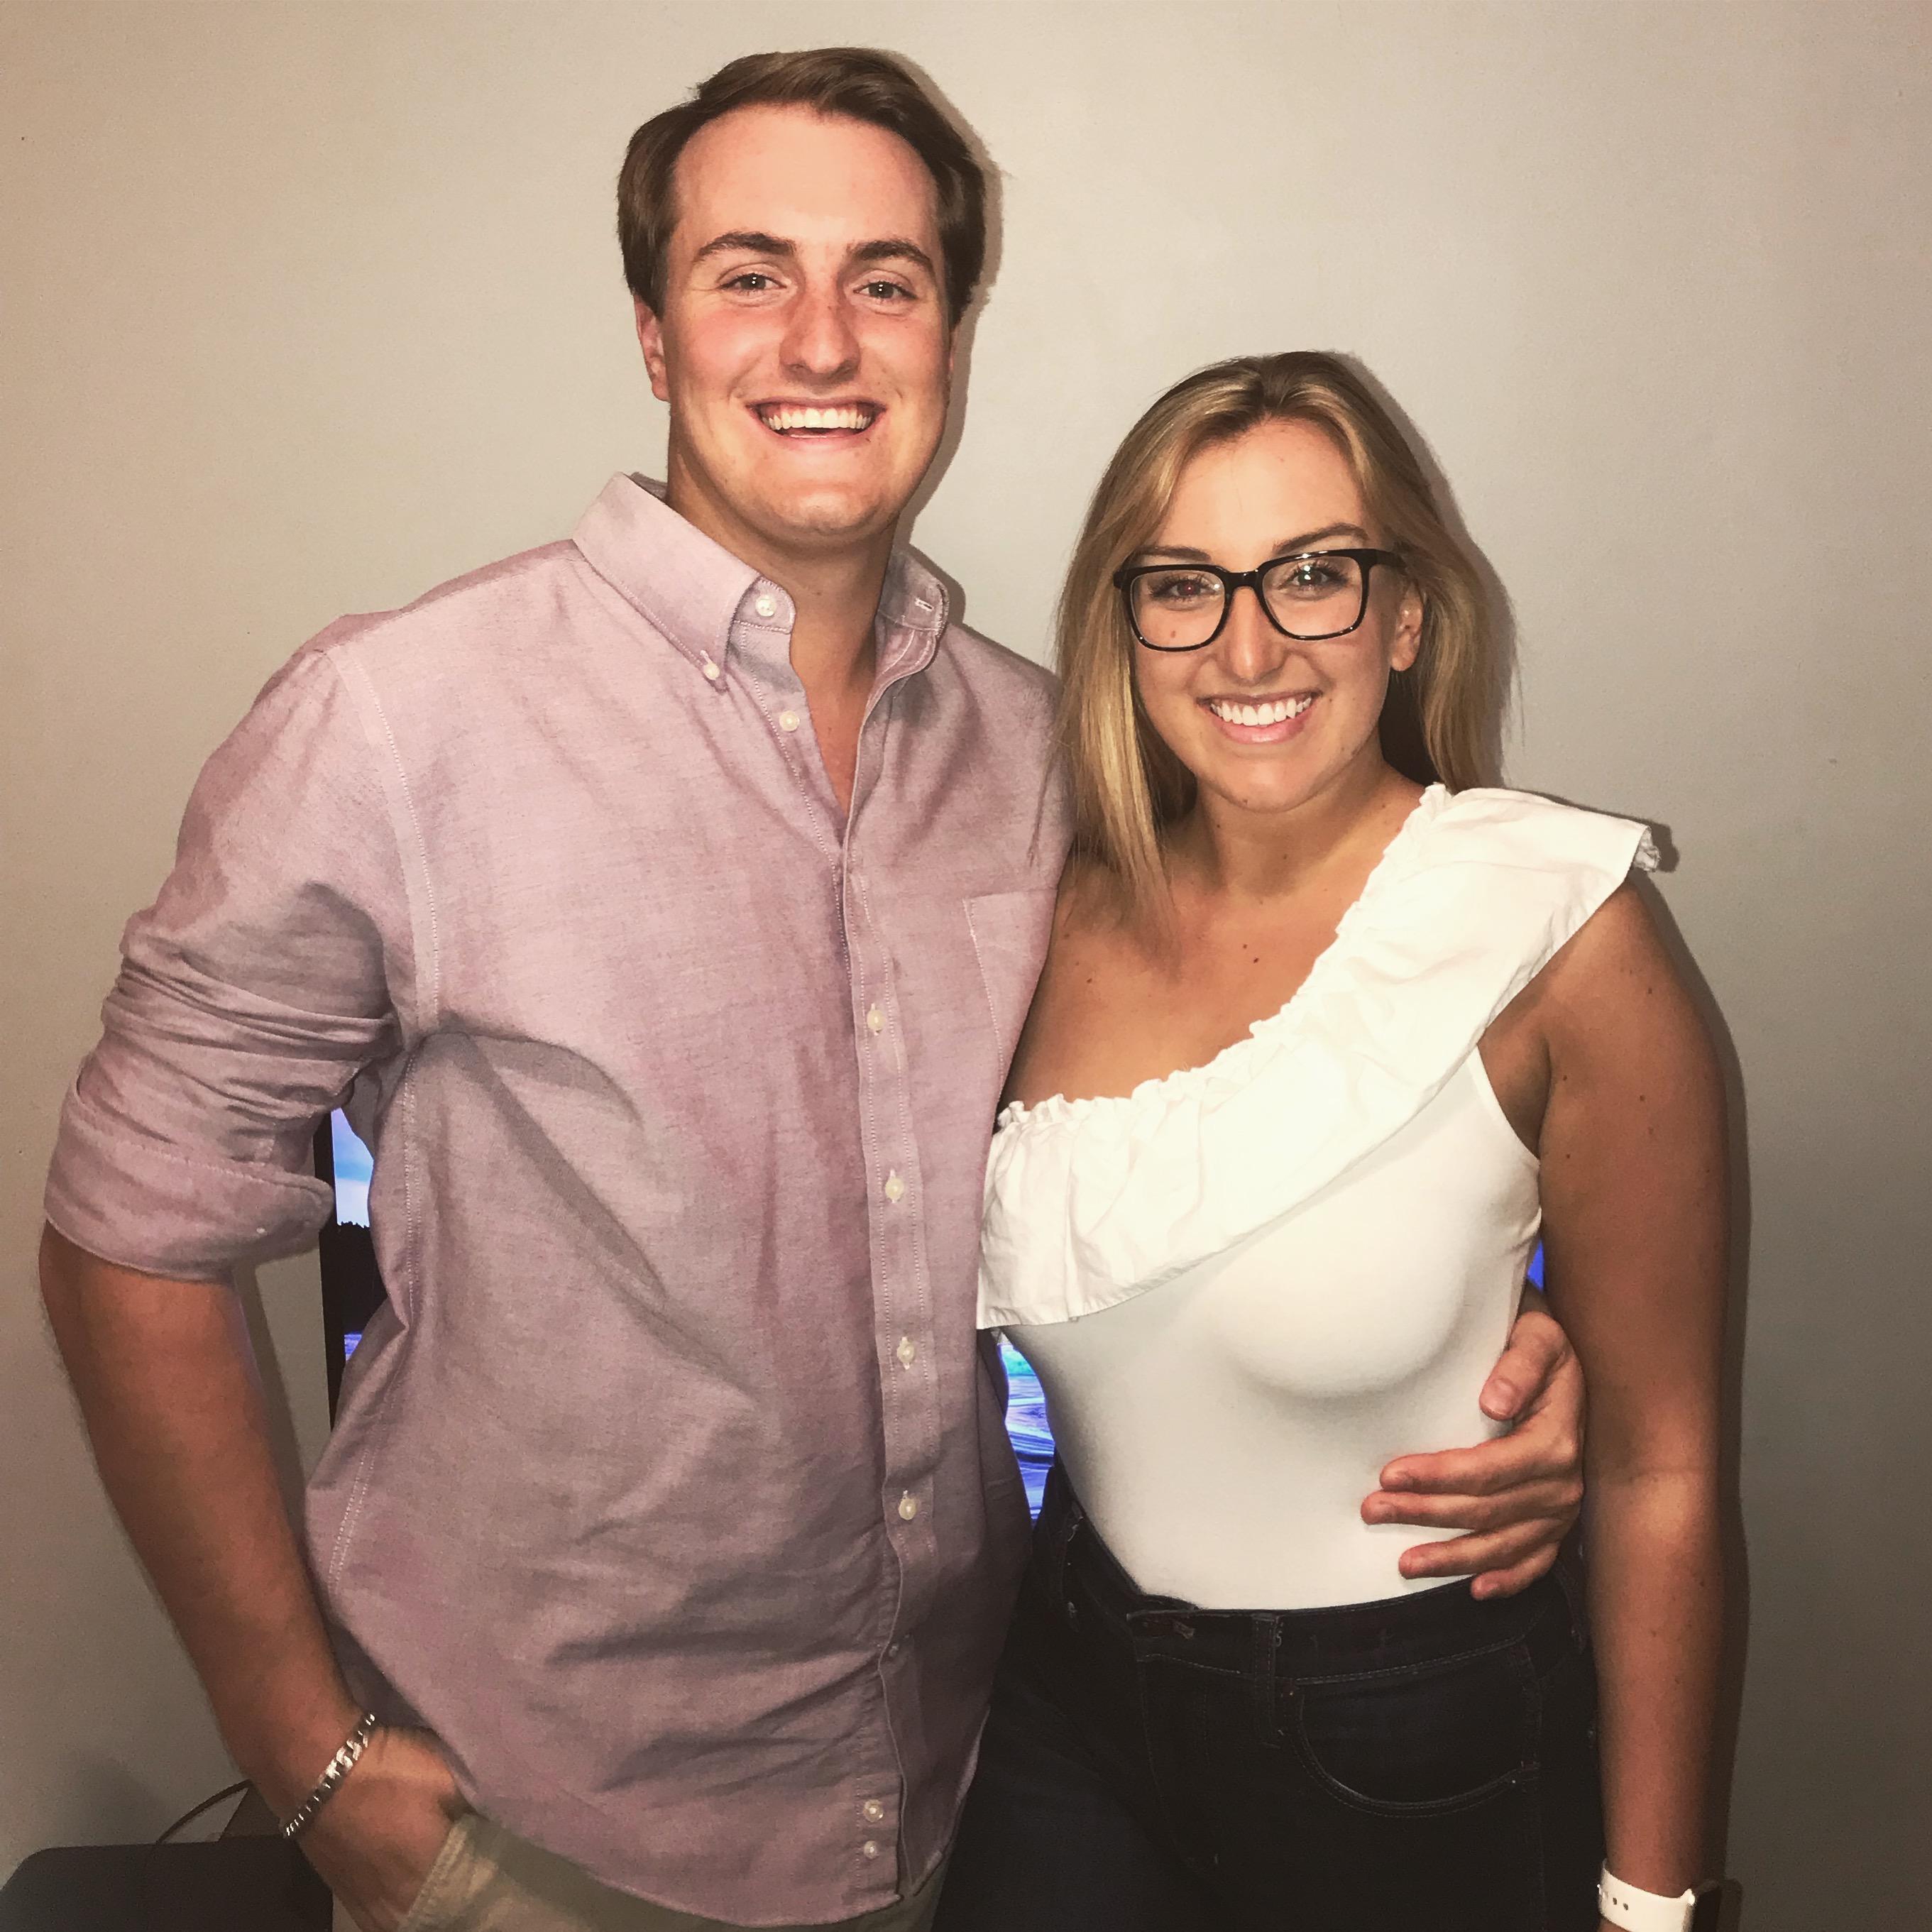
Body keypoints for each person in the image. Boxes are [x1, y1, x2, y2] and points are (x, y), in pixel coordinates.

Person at [40, 53, 1589, 1932]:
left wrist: (1490, 1348)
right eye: (749, 272)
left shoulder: (1046, 758)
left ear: (949, 332)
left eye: (886, 279)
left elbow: (1241, 1102)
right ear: (651, 330)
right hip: (540, 1837)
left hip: (973, 1781)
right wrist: (298, 1744)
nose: (823, 340)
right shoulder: (396, 721)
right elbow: (129, 1231)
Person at [938, 354, 1727, 1932]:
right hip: (1068, 1689)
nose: (1248, 647)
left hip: (1410, 1730)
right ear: (1124, 628)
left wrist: (1654, 1908)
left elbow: (1663, 1470)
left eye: (1311, 574)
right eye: (1183, 585)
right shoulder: (1040, 915)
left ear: (1404, 614)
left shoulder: (1555, 929)